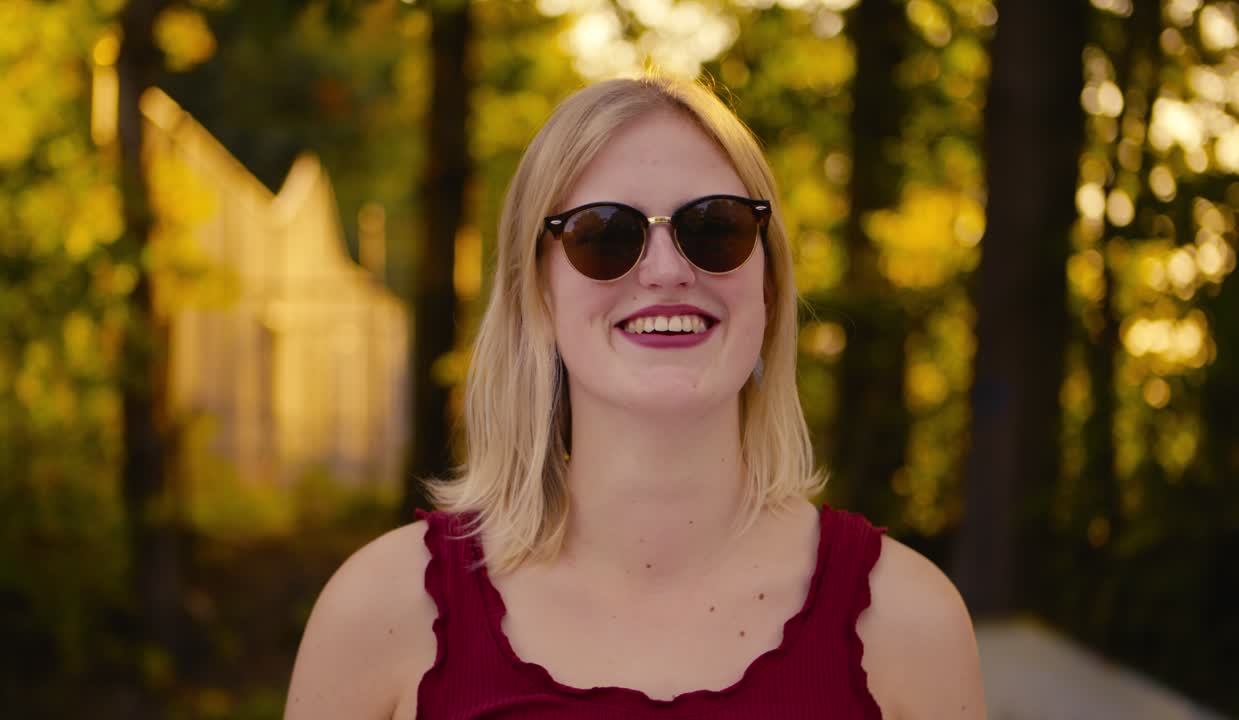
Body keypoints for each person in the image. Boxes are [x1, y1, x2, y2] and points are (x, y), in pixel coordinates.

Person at [284, 75, 985, 719]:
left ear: (769, 287)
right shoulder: (381, 611)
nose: (665, 270)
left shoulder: (908, 622)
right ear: (538, 294)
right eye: (604, 235)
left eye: (715, 227)